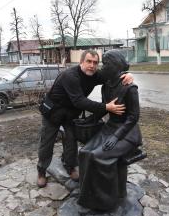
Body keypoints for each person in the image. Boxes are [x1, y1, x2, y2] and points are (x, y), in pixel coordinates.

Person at [37, 50, 133, 188]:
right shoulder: (70, 76)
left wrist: (127, 74)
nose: (92, 65)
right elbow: (79, 101)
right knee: (47, 143)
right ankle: (41, 171)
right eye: (88, 61)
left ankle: (70, 166)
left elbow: (113, 74)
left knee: (71, 141)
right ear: (81, 62)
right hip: (53, 113)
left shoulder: (94, 75)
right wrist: (106, 107)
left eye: (95, 63)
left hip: (70, 115)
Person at [77, 50, 143, 211]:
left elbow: (133, 118)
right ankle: (88, 195)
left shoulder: (129, 88)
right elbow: (105, 108)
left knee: (97, 156)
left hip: (127, 133)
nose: (102, 67)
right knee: (85, 152)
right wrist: (90, 119)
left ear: (115, 66)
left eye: (105, 64)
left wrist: (116, 137)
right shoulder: (106, 86)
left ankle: (106, 202)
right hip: (110, 128)